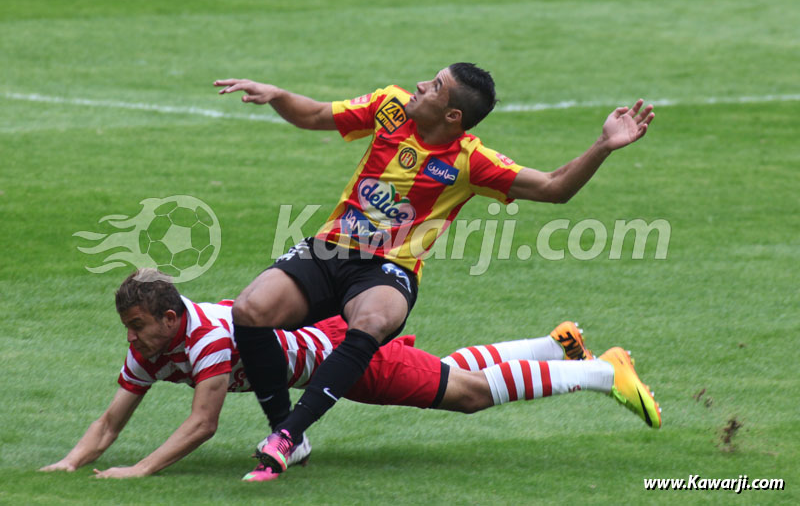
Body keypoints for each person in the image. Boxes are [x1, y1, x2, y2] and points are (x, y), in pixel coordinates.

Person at [212, 63, 656, 474]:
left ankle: (287, 437)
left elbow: (554, 187)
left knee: (375, 322)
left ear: (452, 116)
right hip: (330, 250)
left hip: (388, 269)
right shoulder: (389, 107)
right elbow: (312, 115)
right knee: (250, 309)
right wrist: (277, 95)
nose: (422, 84)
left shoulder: (470, 161)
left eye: (436, 86)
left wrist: (602, 146)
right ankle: (285, 428)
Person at [39, 270, 661, 481]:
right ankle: (554, 346)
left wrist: (139, 470)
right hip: (328, 343)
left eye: (138, 325)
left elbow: (203, 424)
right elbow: (110, 420)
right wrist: (70, 464)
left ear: (171, 318)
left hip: (344, 357)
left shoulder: (205, 339)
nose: (131, 337)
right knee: (445, 372)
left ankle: (601, 372)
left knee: (466, 396)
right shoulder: (152, 346)